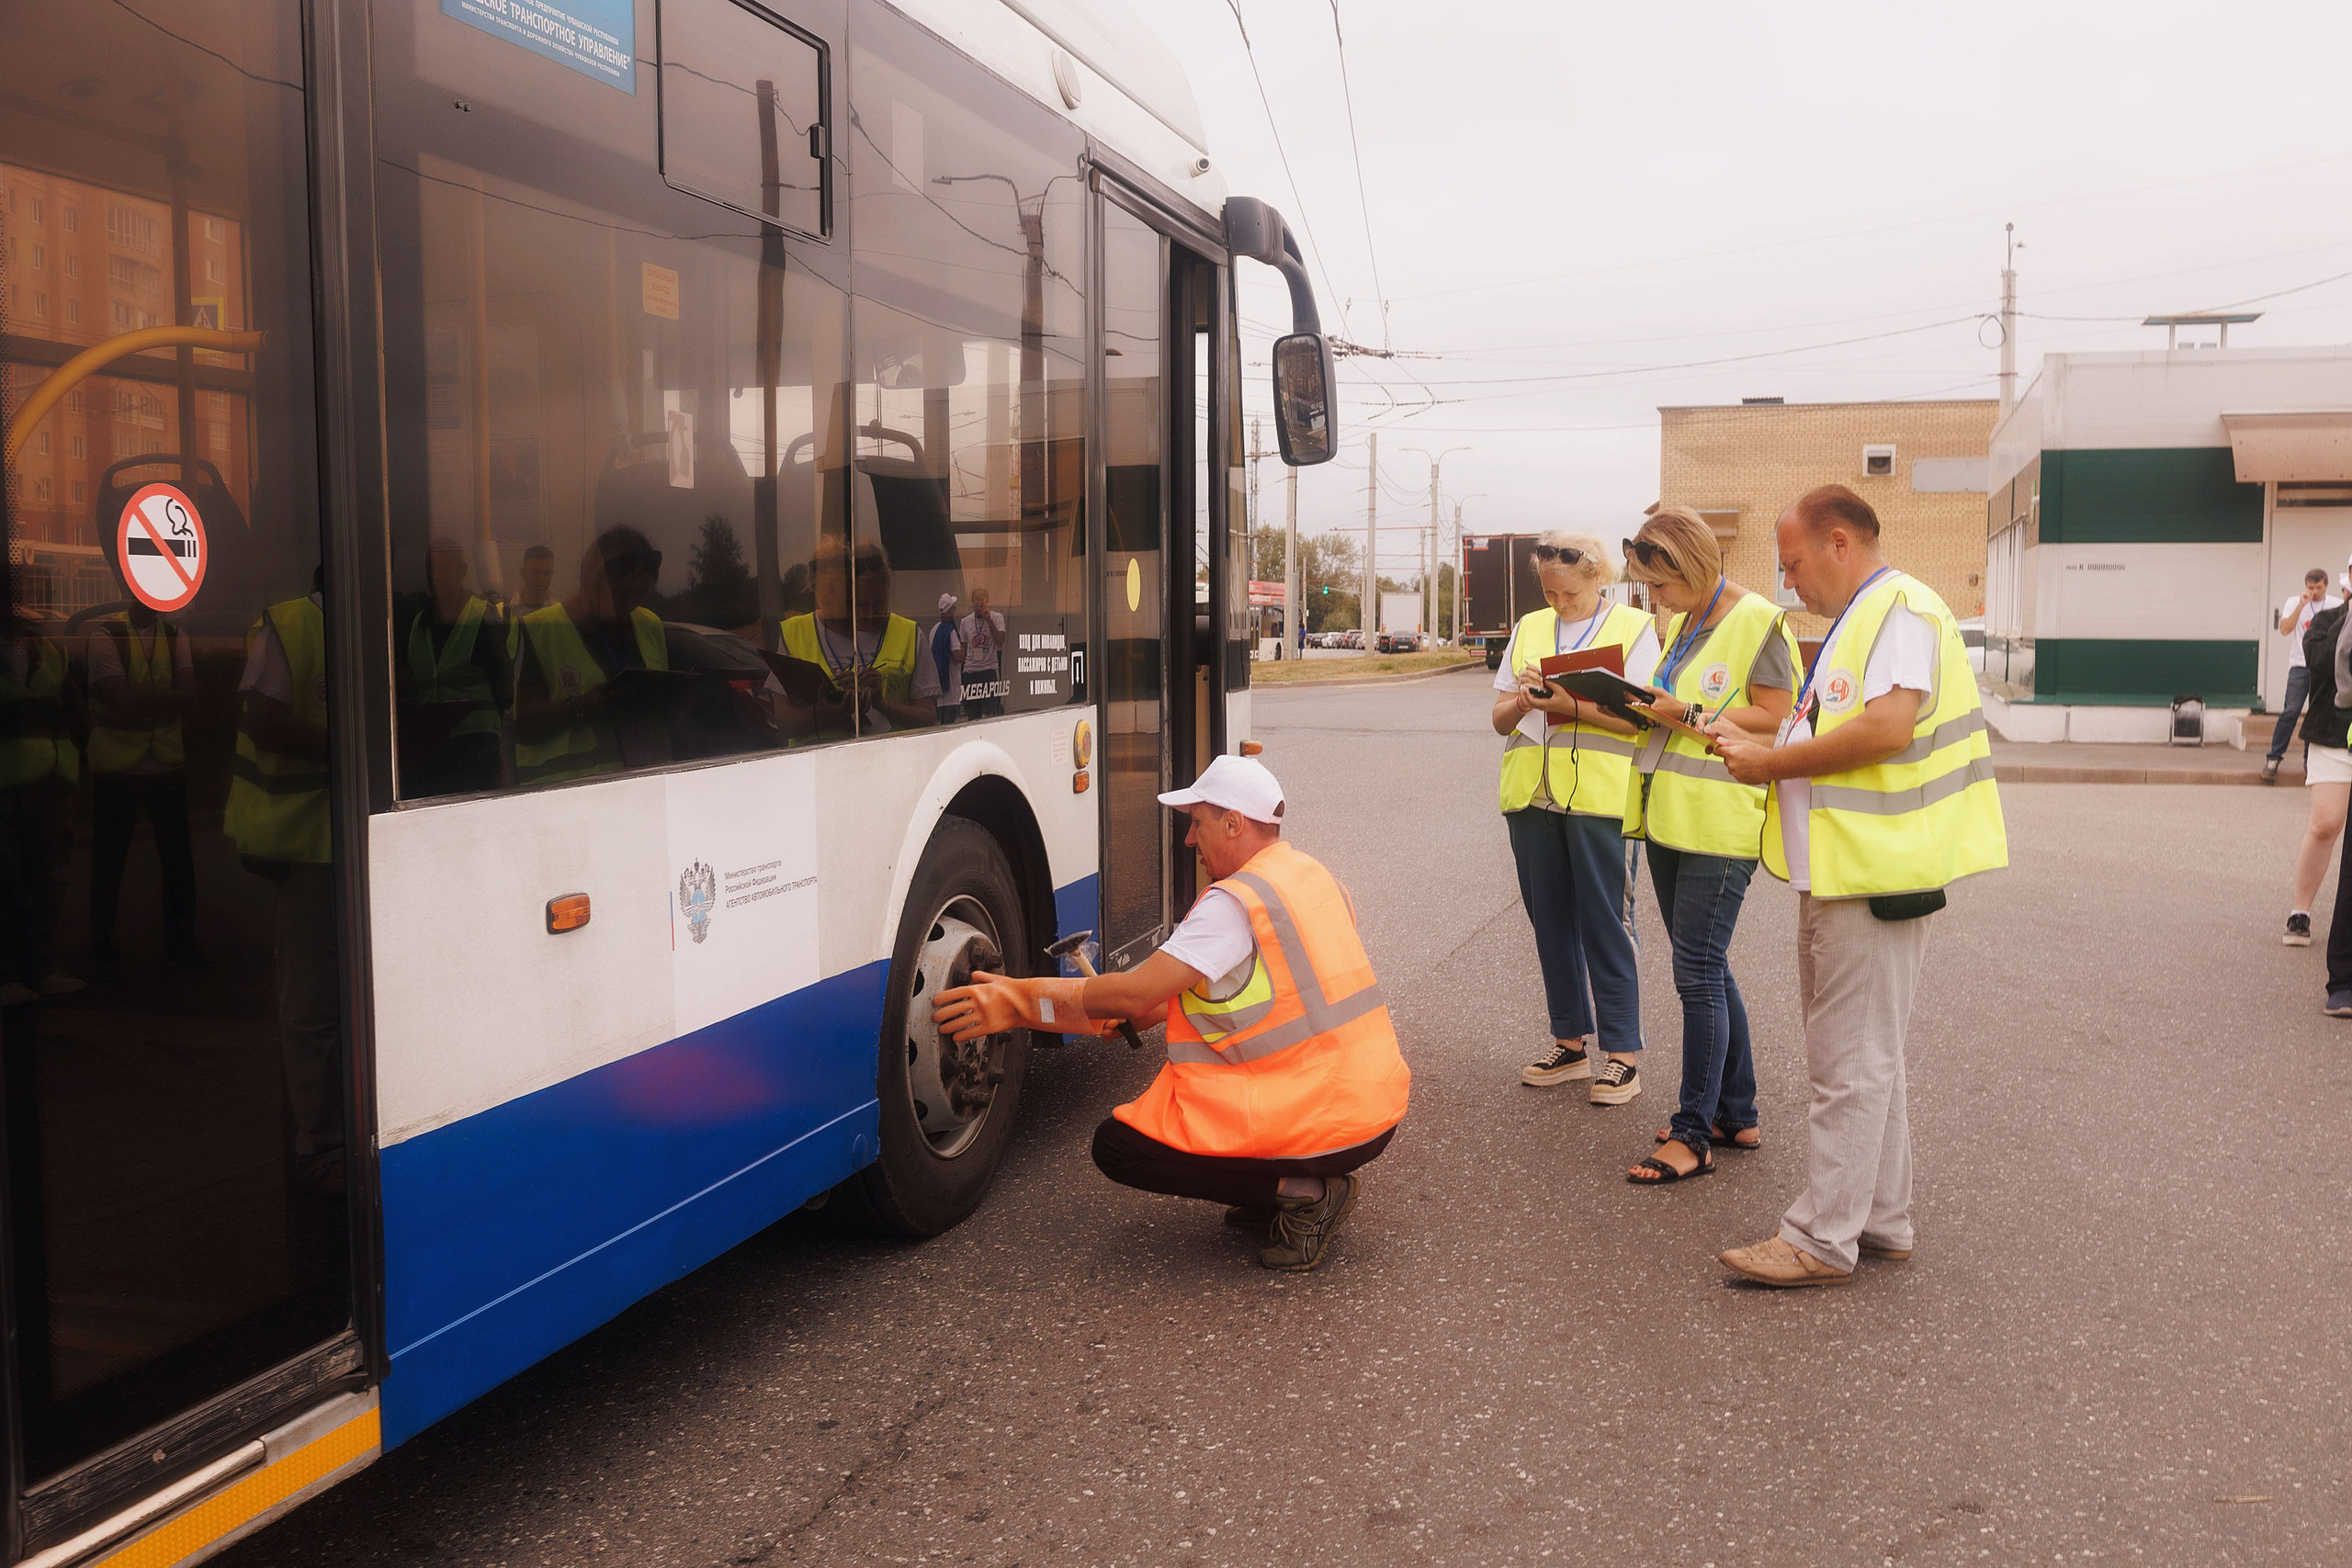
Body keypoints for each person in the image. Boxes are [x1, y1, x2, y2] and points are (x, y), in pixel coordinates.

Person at [932, 755, 1408, 1272]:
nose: (1189, 841)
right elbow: (1242, 987)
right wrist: (1134, 1014)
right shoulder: (1308, 876)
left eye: (1196, 823)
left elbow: (1134, 992)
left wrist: (1014, 1003)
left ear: (1234, 823)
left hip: (1325, 1123)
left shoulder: (1233, 904)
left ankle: (1302, 1191)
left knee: (1119, 1148)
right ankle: (1284, 1188)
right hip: (1374, 1107)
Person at [1709, 485, 2007, 1286]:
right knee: (1867, 1058)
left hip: (1873, 875)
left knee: (1848, 1063)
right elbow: (1831, 725)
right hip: (1853, 870)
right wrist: (1750, 736)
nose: (1788, 583)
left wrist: (1769, 762)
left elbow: (1886, 728)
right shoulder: (1861, 619)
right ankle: (1880, 1218)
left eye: (1794, 563)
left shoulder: (1900, 607)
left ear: (1839, 542)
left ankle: (1819, 1238)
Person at [1617, 507, 1799, 1184]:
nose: (1653, 601)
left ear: (1690, 566)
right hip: (1671, 817)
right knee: (1708, 967)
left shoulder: (1756, 621)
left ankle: (1693, 1133)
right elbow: (1675, 704)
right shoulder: (1687, 622)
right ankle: (1736, 1111)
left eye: (1658, 587)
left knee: (1697, 971)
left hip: (1720, 822)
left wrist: (1684, 713)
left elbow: (1779, 716)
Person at [1490, 530, 1660, 1104]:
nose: (1558, 604)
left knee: (1606, 922)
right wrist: (1522, 700)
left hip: (1597, 799)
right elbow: (1497, 718)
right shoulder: (1529, 628)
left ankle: (1622, 1055)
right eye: (1549, 593)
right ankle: (1569, 1043)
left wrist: (1572, 706)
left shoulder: (1634, 629)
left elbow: (1642, 721)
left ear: (1598, 578)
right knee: (1551, 923)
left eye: (1569, 594)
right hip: (1532, 797)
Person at [223, 570, 345, 1190]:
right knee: (313, 1002)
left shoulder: (372, 627)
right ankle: (319, 1144)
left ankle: (340, 1130)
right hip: (302, 843)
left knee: (341, 998)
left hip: (352, 841)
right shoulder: (292, 622)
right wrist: (347, 748)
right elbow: (264, 721)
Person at [86, 599, 202, 966]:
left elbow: (190, 700)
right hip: (118, 767)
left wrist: (143, 695)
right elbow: (119, 702)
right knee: (109, 864)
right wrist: (169, 698)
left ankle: (181, 946)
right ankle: (102, 948)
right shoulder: (105, 635)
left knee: (178, 864)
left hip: (165, 764)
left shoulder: (175, 635)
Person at [513, 526, 673, 785]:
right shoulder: (539, 628)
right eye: (621, 592)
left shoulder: (649, 623)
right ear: (593, 578)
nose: (630, 602)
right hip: (570, 793)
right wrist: (581, 705)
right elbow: (523, 725)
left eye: (641, 592)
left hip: (649, 787)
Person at [0, 615, 86, 1004]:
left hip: (48, 782)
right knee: (8, 880)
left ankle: (37, 969)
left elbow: (77, 711)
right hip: (7, 786)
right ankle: (7, 975)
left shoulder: (48, 650)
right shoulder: (44, 648)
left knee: (45, 880)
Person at [777, 538, 938, 735]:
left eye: (879, 603)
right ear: (850, 596)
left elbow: (929, 719)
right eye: (861, 605)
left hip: (892, 757)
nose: (870, 614)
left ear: (889, 590)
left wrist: (884, 705)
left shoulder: (910, 634)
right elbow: (783, 724)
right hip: (816, 761)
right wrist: (821, 713)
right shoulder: (793, 633)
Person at [398, 536, 509, 796]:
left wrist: (496, 749)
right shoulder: (417, 624)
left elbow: (503, 685)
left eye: (445, 568)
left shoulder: (483, 615)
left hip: (476, 749)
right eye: (432, 568)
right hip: (428, 753)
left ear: (462, 571)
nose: (437, 575)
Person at [2284, 583, 2351, 946]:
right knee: (2326, 823)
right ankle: (2301, 911)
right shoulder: (2326, 621)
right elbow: (2321, 663)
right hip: (2332, 735)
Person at [2267, 567, 2341, 783]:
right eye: (2311, 587)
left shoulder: (2335, 604)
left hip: (2322, 667)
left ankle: (2310, 762)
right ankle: (2274, 757)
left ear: (2326, 585)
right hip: (2299, 665)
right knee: (2291, 711)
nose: (2315, 591)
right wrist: (2302, 604)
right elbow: (2285, 629)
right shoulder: (2294, 602)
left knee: (2315, 712)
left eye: (2318, 587)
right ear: (2305, 586)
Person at [956, 585, 1008, 719]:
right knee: (972, 715)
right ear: (972, 604)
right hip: (971, 671)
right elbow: (963, 648)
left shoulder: (997, 618)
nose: (979, 608)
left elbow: (1000, 641)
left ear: (987, 602)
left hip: (989, 670)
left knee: (992, 712)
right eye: (977, 605)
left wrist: (988, 620)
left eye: (982, 604)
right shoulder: (965, 622)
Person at [504, 543, 558, 659]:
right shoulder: (504, 612)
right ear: (522, 573)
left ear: (552, 574)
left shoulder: (561, 613)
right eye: (535, 573)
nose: (541, 578)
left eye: (547, 573)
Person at [931, 592, 964, 726]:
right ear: (950, 611)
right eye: (954, 608)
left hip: (939, 690)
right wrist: (964, 649)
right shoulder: (951, 632)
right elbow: (958, 656)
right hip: (951, 689)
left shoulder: (934, 629)